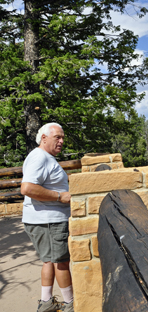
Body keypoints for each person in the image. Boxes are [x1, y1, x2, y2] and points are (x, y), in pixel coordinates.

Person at [21, 122, 74, 312]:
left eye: (62, 138)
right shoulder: (40, 157)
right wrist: (60, 196)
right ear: (44, 138)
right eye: (57, 137)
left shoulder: (44, 157)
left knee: (50, 260)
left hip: (45, 220)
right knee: (61, 261)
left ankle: (46, 303)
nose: (61, 141)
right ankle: (70, 304)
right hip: (48, 220)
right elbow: (27, 188)